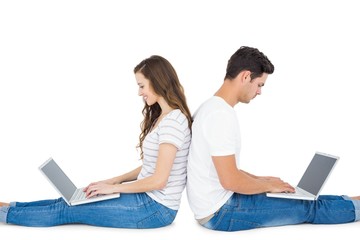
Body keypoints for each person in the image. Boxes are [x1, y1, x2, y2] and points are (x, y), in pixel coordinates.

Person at [0, 55, 192, 228]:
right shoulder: (164, 118)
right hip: (145, 200)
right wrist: (114, 180)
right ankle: (10, 207)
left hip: (154, 209)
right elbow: (150, 167)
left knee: (67, 210)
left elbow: (159, 180)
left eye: (142, 86)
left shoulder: (173, 122)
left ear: (158, 82)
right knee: (69, 200)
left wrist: (113, 188)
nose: (139, 92)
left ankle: (5, 214)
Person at [186, 46, 360, 231]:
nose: (259, 92)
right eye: (259, 84)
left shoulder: (210, 108)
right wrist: (265, 185)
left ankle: (353, 200)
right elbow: (230, 181)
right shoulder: (220, 115)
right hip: (221, 212)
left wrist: (261, 180)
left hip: (214, 207)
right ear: (246, 77)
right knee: (307, 207)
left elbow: (223, 170)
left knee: (303, 199)